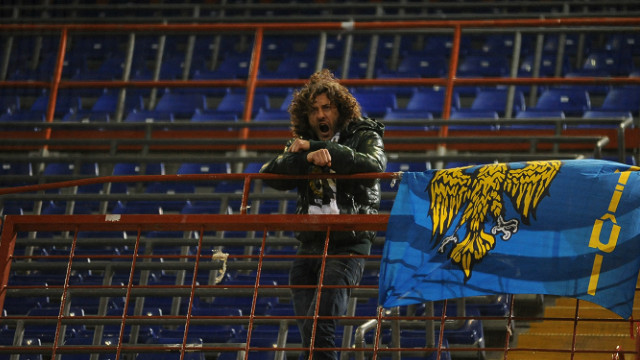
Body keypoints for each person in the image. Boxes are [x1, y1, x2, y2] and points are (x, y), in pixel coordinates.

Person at [260, 69, 387, 360]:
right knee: (311, 334)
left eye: (326, 108)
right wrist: (306, 157)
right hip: (310, 243)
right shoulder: (300, 144)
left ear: (340, 110)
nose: (320, 115)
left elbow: (374, 166)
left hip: (347, 243)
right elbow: (269, 173)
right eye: (314, 110)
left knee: (321, 326)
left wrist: (320, 147)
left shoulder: (364, 133)